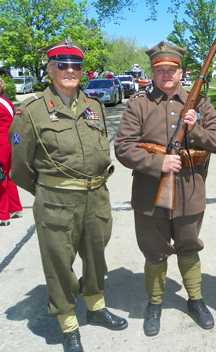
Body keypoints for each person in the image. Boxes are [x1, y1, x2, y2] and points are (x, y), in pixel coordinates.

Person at [9, 37, 128, 352]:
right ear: (50, 69)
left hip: (97, 198)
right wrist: (49, 191)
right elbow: (19, 168)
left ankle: (96, 307)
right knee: (59, 264)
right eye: (63, 65)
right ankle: (68, 325)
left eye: (76, 65)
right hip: (56, 202)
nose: (70, 70)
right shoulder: (31, 112)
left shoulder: (94, 106)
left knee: (96, 258)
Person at [114, 41, 216, 337]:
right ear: (152, 72)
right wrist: (158, 164)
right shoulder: (138, 104)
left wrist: (195, 129)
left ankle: (196, 299)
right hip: (150, 193)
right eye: (160, 70)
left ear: (181, 72)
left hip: (190, 191)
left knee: (189, 246)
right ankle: (154, 304)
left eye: (172, 69)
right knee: (155, 251)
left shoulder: (199, 103)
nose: (166, 74)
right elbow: (123, 148)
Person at [0, 78, 22, 226]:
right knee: (7, 176)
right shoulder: (6, 102)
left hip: (1, 143)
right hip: (8, 142)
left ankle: (3, 215)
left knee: (1, 179)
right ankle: (15, 207)